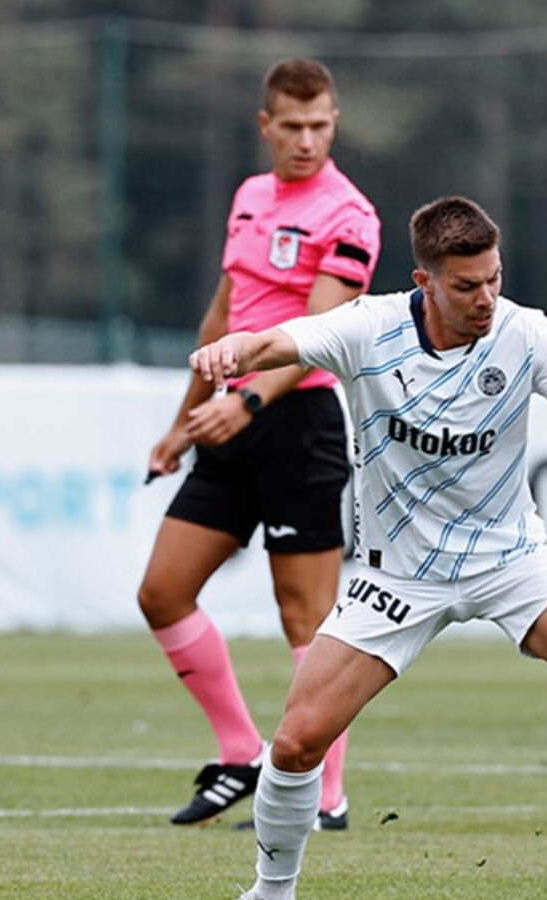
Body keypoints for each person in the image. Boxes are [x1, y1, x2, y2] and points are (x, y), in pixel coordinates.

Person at [190, 197, 547, 900]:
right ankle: (271, 892)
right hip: (400, 576)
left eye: (494, 279)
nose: (486, 299)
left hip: (511, 557)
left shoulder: (526, 333)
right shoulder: (369, 329)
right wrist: (234, 348)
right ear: (425, 282)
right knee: (296, 743)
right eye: (467, 285)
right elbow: (279, 343)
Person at [137, 58, 379, 829]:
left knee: (305, 619)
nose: (307, 140)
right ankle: (242, 752)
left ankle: (326, 795)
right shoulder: (249, 197)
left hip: (298, 425)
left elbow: (314, 337)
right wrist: (184, 420)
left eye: (321, 125)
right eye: (293, 126)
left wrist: (241, 400)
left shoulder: (351, 215)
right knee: (163, 591)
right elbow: (222, 319)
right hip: (230, 419)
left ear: (334, 122)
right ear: (265, 125)